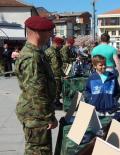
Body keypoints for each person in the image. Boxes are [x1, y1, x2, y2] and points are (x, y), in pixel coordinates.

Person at [14, 16, 58, 155]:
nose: (51, 35)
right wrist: (48, 116)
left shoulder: (36, 53)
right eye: (49, 31)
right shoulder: (32, 57)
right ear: (39, 32)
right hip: (36, 115)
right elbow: (36, 92)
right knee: (39, 151)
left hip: (35, 113)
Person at [45, 37, 64, 108]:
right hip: (54, 74)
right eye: (61, 44)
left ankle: (56, 102)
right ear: (57, 44)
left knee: (54, 89)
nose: (62, 46)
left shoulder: (50, 50)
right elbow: (56, 66)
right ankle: (55, 103)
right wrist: (62, 75)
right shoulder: (53, 52)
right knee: (57, 89)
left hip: (50, 73)